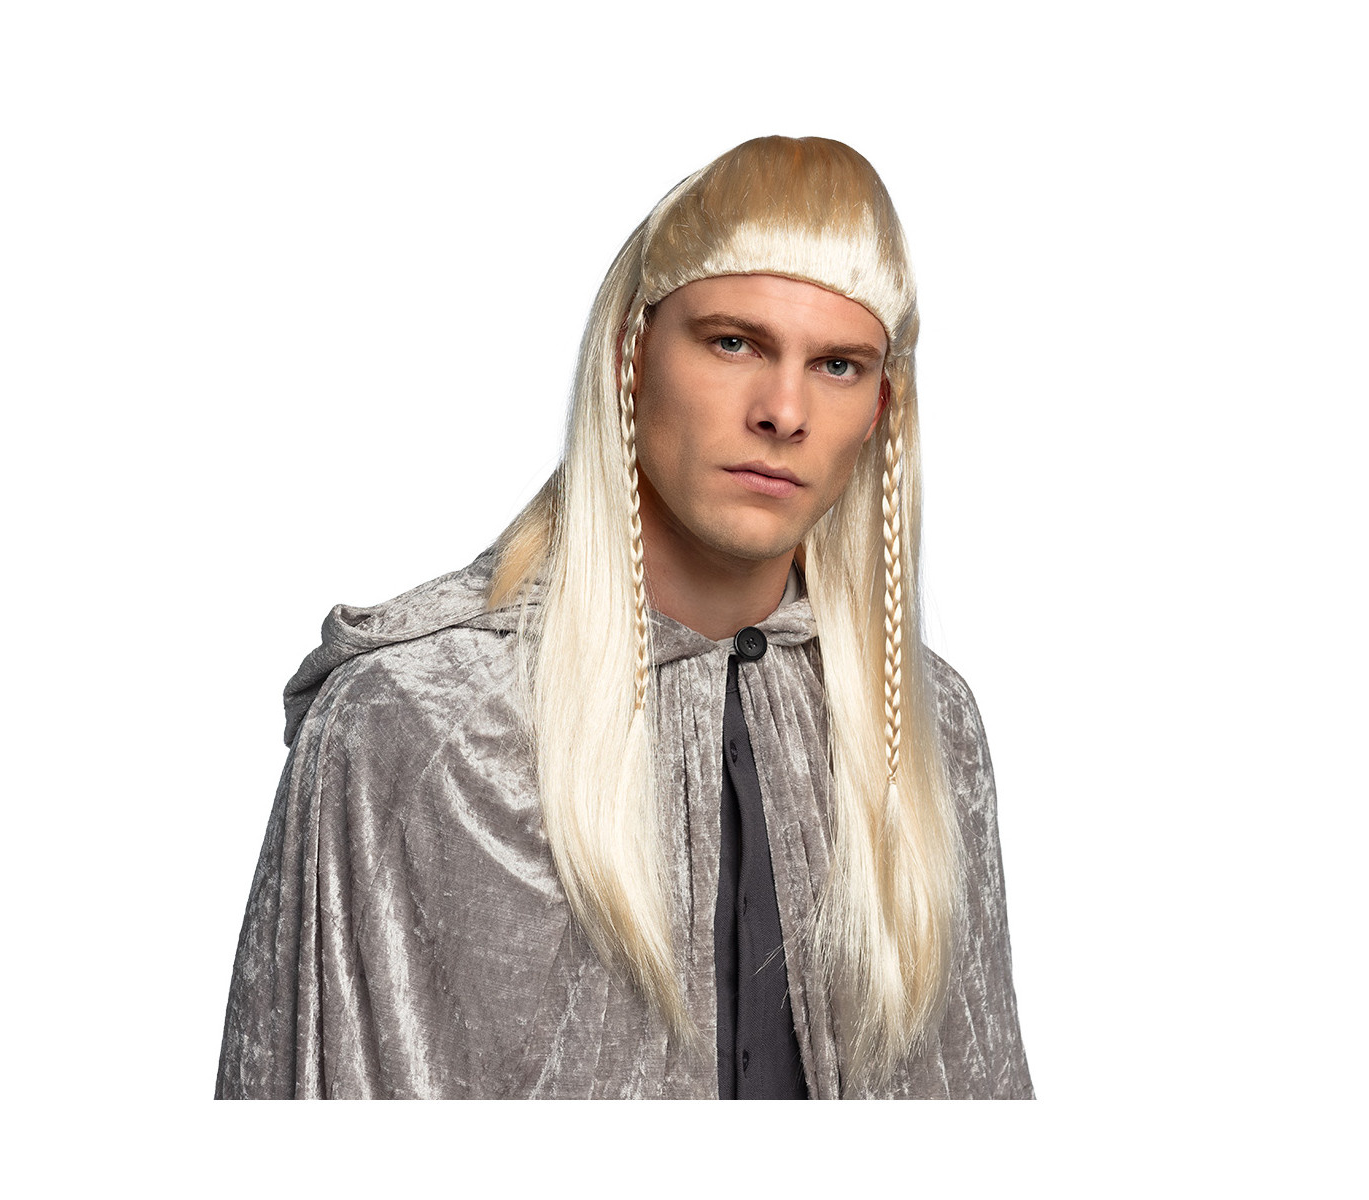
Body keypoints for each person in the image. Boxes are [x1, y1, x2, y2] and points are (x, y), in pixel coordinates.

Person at [215, 135, 1032, 1099]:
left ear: (882, 409)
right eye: (734, 342)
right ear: (630, 355)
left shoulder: (926, 730)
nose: (784, 410)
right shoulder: (420, 727)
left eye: (839, 365)